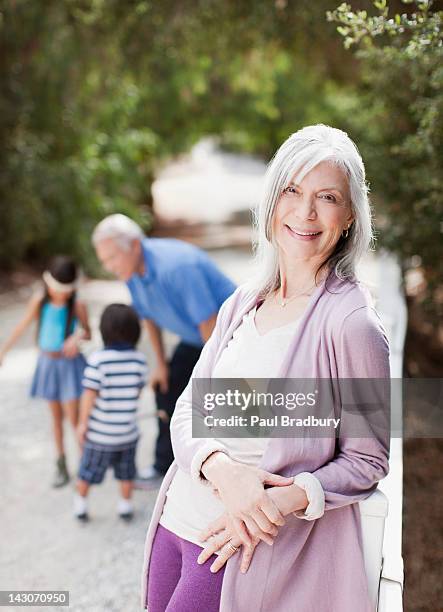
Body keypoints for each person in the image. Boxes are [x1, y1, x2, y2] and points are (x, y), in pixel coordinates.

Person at [141, 124, 391, 612]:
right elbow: (189, 408)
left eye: (327, 197)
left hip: (239, 549)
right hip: (174, 525)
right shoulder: (243, 301)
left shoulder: (353, 324)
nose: (305, 212)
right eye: (292, 190)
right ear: (272, 200)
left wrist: (282, 500)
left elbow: (368, 460)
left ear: (349, 218)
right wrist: (222, 469)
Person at [91, 215, 236, 481]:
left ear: (134, 245)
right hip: (197, 339)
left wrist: (214, 376)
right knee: (166, 387)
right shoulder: (131, 272)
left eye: (112, 258)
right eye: (104, 261)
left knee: (219, 397)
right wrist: (160, 365)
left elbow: (210, 323)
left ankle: (232, 460)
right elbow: (148, 316)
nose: (109, 267)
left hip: (229, 337)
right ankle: (165, 467)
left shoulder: (176, 267)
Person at [0, 256, 91, 487]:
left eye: (65, 290)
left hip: (69, 366)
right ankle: (61, 464)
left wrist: (77, 337)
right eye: (57, 289)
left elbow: (88, 332)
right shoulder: (40, 301)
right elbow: (22, 325)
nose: (61, 294)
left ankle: (85, 466)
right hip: (48, 365)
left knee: (74, 418)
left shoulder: (77, 304)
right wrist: (4, 350)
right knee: (55, 418)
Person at [74, 303, 148, 522]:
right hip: (127, 434)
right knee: (126, 473)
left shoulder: (97, 361)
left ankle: (80, 505)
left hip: (100, 435)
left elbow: (89, 396)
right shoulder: (139, 361)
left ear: (104, 331)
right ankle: (125, 505)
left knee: (87, 471)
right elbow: (137, 392)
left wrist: (82, 424)